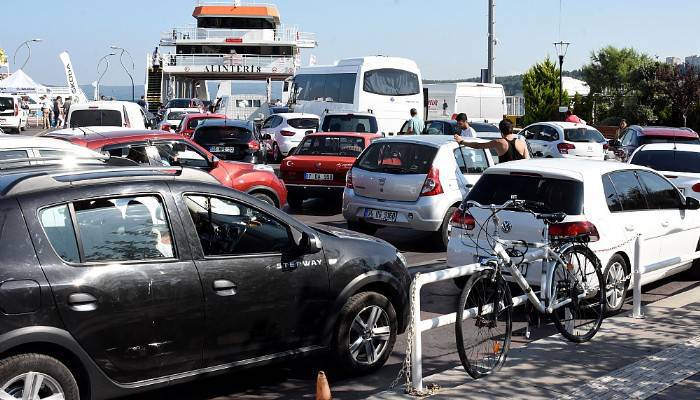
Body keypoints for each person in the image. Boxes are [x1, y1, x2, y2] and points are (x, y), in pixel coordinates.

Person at [454, 119, 529, 163]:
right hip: (520, 179)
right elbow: (527, 161)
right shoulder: (522, 143)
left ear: (500, 131)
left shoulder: (499, 142)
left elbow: (478, 145)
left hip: (505, 178)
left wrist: (461, 141)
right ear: (512, 129)